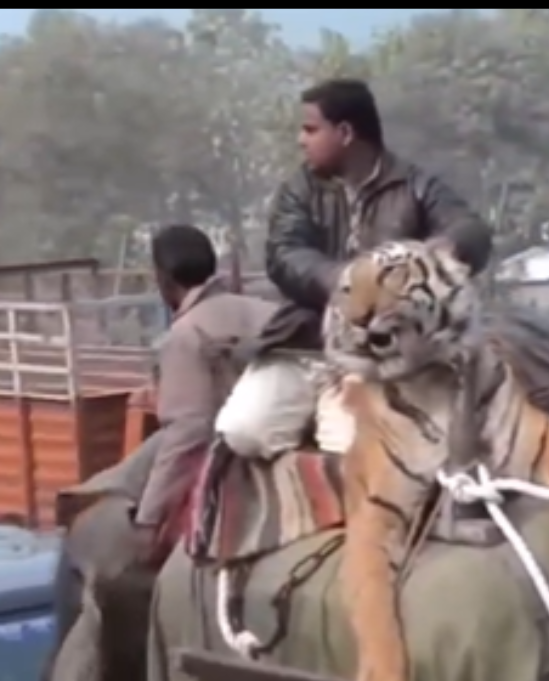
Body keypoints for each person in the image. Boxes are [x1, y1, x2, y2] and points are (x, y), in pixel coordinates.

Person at [216, 78, 492, 461]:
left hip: (376, 360)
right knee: (242, 432)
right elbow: (284, 254)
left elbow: (471, 229)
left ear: (345, 132)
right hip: (301, 343)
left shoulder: (417, 186)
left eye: (310, 129)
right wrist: (349, 284)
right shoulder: (300, 189)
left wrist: (441, 252)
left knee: (356, 453)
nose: (301, 139)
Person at [133, 225, 278, 557]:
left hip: (235, 466)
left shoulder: (184, 336)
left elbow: (188, 431)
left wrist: (149, 518)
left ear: (165, 278)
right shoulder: (269, 312)